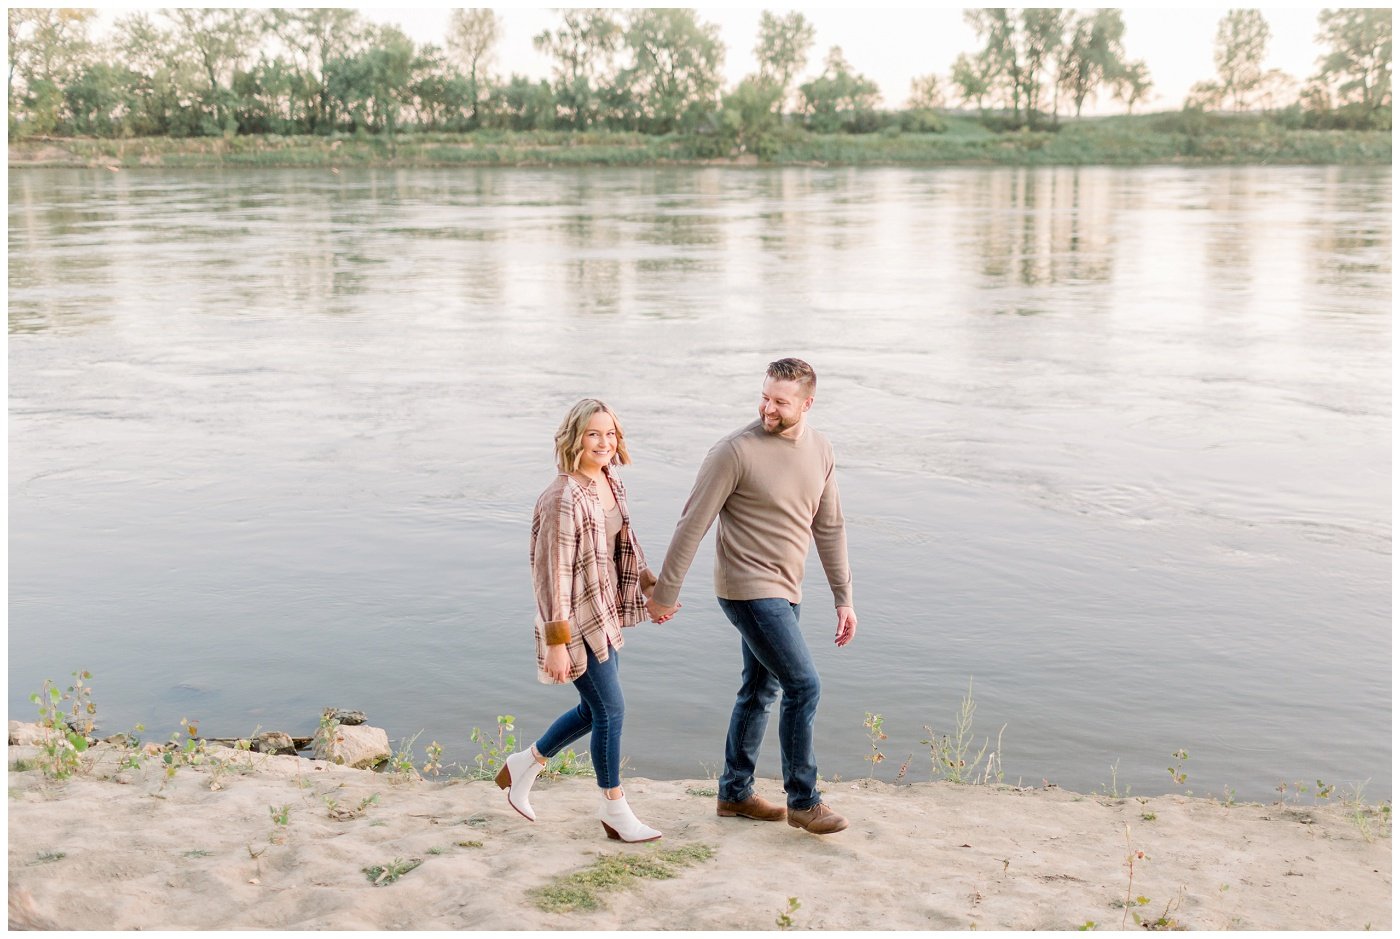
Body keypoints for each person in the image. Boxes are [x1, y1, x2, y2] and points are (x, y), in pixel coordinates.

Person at [647, 358, 857, 835]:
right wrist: (664, 594)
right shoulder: (733, 452)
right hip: (746, 588)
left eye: (780, 401)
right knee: (804, 685)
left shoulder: (821, 450)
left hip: (787, 589)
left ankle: (735, 793)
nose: (768, 407)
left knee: (761, 690)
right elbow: (692, 524)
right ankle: (804, 800)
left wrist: (843, 598)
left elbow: (829, 527)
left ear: (807, 403)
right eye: (764, 396)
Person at [495, 398, 670, 843]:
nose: (604, 442)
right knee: (611, 709)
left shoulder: (611, 482)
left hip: (604, 611)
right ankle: (614, 808)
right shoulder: (561, 498)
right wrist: (557, 640)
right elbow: (550, 573)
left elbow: (623, 547)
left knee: (595, 710)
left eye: (610, 434)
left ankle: (525, 764)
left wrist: (650, 589)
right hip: (573, 620)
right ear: (575, 437)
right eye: (594, 434)